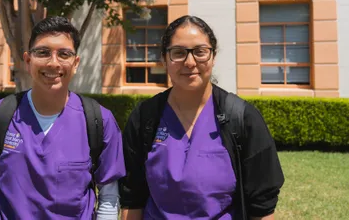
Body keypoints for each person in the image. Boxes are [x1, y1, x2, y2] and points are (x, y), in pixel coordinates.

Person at [0, 16, 125, 219]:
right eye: (43, 52)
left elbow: (109, 196)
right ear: (27, 60)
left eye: (64, 54)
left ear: (75, 63)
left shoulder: (98, 121)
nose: (53, 63)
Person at [119, 15, 285, 220]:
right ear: (164, 59)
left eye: (200, 52)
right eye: (178, 53)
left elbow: (262, 207)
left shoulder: (243, 118)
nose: (190, 62)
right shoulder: (145, 117)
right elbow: (132, 197)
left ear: (213, 57)